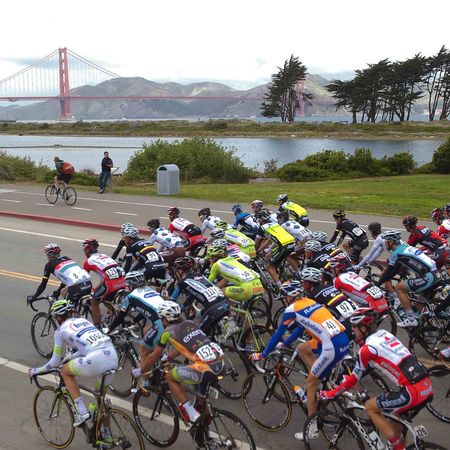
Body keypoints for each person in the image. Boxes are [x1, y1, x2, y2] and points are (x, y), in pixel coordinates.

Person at [320, 308, 433, 450]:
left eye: (354, 326)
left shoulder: (366, 350)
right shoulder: (385, 334)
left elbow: (355, 377)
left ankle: (398, 447)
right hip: (426, 386)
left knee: (370, 407)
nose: (352, 329)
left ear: (363, 328)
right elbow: (379, 361)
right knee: (395, 419)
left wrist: (332, 393)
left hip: (411, 393)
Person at [251, 295, 349, 441]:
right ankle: (319, 378)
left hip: (331, 346)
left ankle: (312, 428)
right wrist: (285, 344)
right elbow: (300, 327)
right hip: (342, 339)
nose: (283, 301)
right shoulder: (309, 302)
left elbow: (278, 333)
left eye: (283, 298)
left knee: (310, 384)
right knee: (302, 348)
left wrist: (263, 354)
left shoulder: (291, 309)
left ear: (287, 298)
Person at [28, 299, 118, 427]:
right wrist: (71, 356)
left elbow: (54, 362)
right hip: (112, 356)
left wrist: (36, 371)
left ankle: (82, 411)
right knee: (100, 398)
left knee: (65, 372)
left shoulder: (60, 331)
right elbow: (85, 347)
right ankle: (106, 433)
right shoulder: (84, 321)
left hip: (96, 358)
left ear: (58, 317)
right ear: (70, 312)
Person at [133, 301, 224, 426]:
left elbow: (153, 357)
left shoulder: (166, 333)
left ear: (165, 319)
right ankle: (205, 419)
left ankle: (191, 414)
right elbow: (183, 346)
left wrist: (141, 371)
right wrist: (168, 357)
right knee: (198, 389)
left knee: (170, 376)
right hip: (220, 362)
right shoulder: (190, 323)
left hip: (204, 368)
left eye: (161, 318)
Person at [107, 271, 166, 380]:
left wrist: (110, 329)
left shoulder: (130, 297)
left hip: (161, 322)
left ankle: (145, 382)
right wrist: (134, 320)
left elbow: (121, 316)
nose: (127, 287)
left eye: (128, 285)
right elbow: (145, 309)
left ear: (131, 285)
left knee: (143, 349)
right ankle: (158, 356)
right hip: (168, 318)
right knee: (146, 331)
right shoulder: (150, 289)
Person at [376, 230, 439, 328]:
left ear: (391, 242)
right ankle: (432, 326)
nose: (385, 244)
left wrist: (376, 285)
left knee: (399, 287)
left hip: (428, 277)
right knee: (418, 303)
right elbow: (395, 270)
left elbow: (390, 273)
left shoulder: (397, 253)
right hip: (435, 274)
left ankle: (411, 319)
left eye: (386, 242)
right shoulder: (405, 247)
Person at [170, 256, 230, 337]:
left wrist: (180, 308)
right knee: (199, 316)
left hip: (213, 310)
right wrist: (184, 305)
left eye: (177, 270)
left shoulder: (182, 282)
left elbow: (172, 300)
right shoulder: (199, 275)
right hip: (225, 303)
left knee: (199, 337)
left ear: (180, 270)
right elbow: (194, 294)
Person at [27, 243, 92, 308]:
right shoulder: (67, 258)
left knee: (68, 310)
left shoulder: (49, 265)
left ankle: (74, 313)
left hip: (76, 287)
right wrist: (58, 291)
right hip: (88, 283)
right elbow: (66, 278)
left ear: (49, 255)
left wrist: (34, 297)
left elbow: (43, 285)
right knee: (63, 291)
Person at [300, 266, 358, 336]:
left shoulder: (312, 296)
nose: (302, 284)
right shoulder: (328, 286)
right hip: (356, 311)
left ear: (308, 283)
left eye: (303, 282)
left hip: (344, 321)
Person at [82, 239, 126, 328]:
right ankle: (117, 314)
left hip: (111, 284)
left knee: (94, 300)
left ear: (87, 250)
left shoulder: (88, 261)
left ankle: (97, 327)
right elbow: (104, 277)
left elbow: (84, 279)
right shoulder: (105, 256)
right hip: (123, 280)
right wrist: (96, 289)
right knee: (104, 297)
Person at [254, 209, 296, 288]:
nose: (258, 222)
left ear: (261, 219)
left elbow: (256, 243)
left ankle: (280, 287)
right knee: (268, 255)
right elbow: (269, 240)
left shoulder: (262, 227)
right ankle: (287, 273)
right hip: (291, 243)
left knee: (269, 267)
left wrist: (255, 250)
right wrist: (260, 250)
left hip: (284, 246)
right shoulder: (274, 224)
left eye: (259, 220)